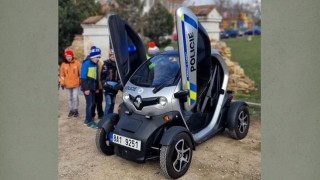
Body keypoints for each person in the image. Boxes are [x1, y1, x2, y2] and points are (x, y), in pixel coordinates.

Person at [80, 46, 101, 128]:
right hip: (87, 88)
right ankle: (88, 122)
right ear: (93, 56)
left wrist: (96, 88)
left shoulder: (96, 64)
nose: (98, 59)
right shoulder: (86, 64)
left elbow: (95, 77)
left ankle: (88, 119)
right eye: (97, 57)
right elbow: (83, 77)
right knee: (90, 104)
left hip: (93, 88)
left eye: (99, 57)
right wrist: (86, 89)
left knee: (92, 104)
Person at [59, 48, 81, 118]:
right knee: (69, 98)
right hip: (67, 84)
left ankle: (76, 110)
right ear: (65, 57)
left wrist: (80, 81)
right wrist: (62, 82)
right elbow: (62, 75)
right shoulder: (63, 64)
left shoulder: (77, 63)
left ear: (72, 56)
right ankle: (71, 110)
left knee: (75, 97)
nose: (68, 58)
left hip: (75, 84)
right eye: (67, 56)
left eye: (69, 56)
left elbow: (81, 73)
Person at [101, 49, 121, 115]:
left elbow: (119, 77)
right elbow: (102, 77)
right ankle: (105, 118)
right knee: (109, 104)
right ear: (109, 56)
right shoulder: (106, 65)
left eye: (114, 56)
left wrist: (119, 84)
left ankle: (110, 117)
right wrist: (105, 83)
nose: (113, 57)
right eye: (112, 56)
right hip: (107, 88)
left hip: (114, 88)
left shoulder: (118, 65)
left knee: (112, 103)